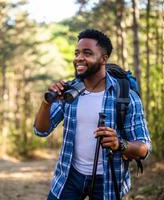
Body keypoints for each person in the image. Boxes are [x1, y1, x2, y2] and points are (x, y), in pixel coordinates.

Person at [33, 29, 151, 200]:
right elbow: (41, 130)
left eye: (87, 53)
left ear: (104, 58)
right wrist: (46, 102)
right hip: (70, 176)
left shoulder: (125, 96)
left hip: (108, 180)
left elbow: (144, 148)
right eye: (77, 53)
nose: (79, 58)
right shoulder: (70, 92)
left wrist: (119, 144)